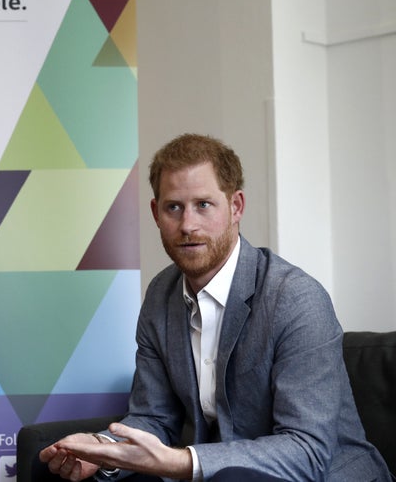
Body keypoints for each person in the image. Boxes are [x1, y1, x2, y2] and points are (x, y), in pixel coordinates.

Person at [39, 134, 391, 481]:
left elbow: (306, 451)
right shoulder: (161, 295)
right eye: (173, 207)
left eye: (203, 205)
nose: (188, 225)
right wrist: (102, 450)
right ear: (155, 213)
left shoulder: (295, 298)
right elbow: (153, 417)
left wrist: (181, 462)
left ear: (236, 206)